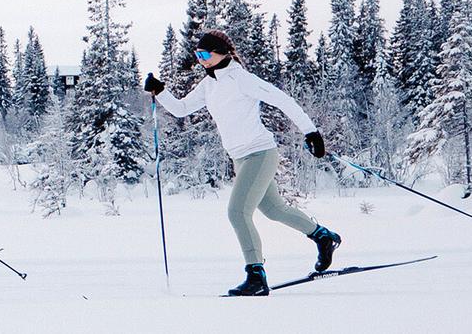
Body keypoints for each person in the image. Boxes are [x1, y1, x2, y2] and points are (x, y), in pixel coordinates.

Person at [143, 30, 342, 297]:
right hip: (241, 157)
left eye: (204, 54)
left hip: (260, 153)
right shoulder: (209, 84)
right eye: (197, 55)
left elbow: (283, 100)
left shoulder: (241, 79)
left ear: (221, 53)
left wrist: (311, 132)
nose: (200, 60)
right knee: (274, 210)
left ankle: (256, 275)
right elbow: (181, 109)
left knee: (237, 212)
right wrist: (161, 91)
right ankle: (323, 236)